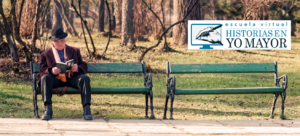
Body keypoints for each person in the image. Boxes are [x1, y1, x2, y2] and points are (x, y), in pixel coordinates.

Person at [39, 28, 93, 120]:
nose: (60, 43)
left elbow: (83, 64)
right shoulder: (45, 54)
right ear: (52, 41)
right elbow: (41, 70)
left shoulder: (74, 51)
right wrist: (51, 70)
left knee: (85, 79)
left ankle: (87, 109)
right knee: (45, 78)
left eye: (62, 41)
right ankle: (48, 109)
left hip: (72, 78)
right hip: (56, 79)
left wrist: (78, 68)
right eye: (57, 41)